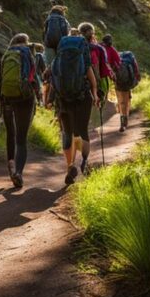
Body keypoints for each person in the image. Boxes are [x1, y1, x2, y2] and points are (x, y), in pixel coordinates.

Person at [50, 23, 100, 185]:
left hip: (63, 97)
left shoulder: (60, 57)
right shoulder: (82, 56)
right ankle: (83, 162)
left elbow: (53, 78)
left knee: (67, 132)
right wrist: (95, 95)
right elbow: (92, 80)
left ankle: (69, 166)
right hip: (82, 96)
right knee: (82, 130)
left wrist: (50, 99)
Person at [0, 34, 42, 189]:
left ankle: (11, 166)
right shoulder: (29, 53)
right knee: (21, 139)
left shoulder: (7, 54)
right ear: (26, 42)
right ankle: (18, 173)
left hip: (7, 98)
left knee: (10, 134)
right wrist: (39, 95)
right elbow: (35, 78)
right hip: (25, 98)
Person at [103, 34, 141, 132]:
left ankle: (123, 122)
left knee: (122, 101)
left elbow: (113, 66)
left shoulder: (104, 50)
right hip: (123, 78)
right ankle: (124, 119)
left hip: (119, 79)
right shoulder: (111, 50)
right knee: (124, 100)